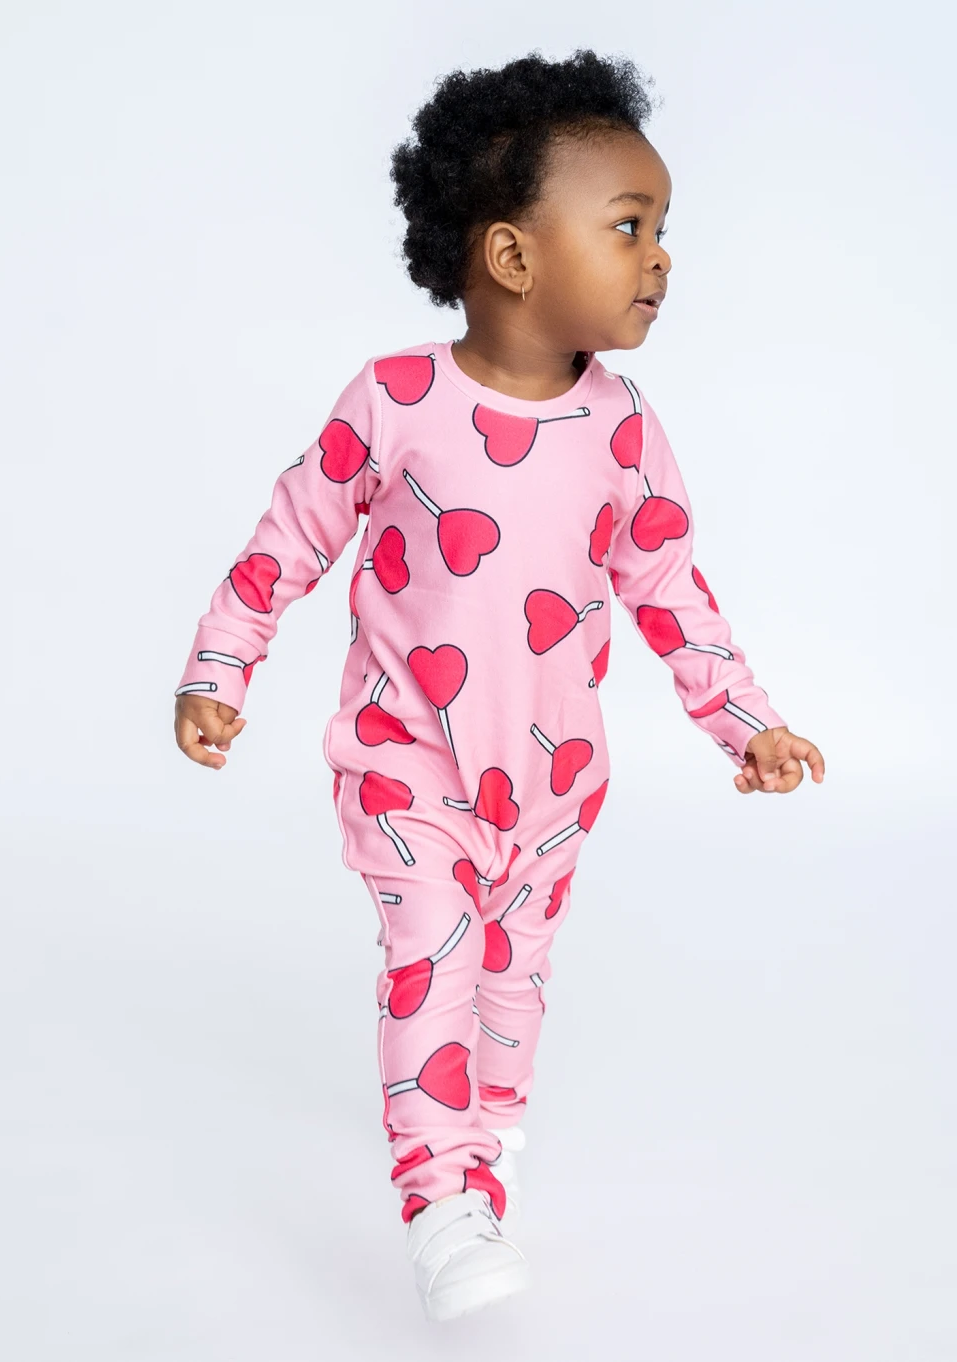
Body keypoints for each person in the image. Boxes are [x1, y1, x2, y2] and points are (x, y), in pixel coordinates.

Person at [173, 48, 826, 1323]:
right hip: (406, 762)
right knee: (433, 960)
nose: (661, 258)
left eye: (663, 230)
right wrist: (219, 667)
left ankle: (490, 1130)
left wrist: (746, 723)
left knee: (514, 978)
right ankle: (440, 1199)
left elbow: (670, 589)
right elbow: (288, 539)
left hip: (555, 779)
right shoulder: (395, 401)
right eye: (630, 226)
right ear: (514, 256)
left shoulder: (623, 427)